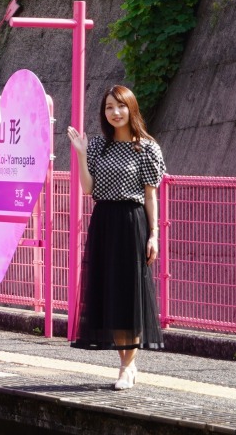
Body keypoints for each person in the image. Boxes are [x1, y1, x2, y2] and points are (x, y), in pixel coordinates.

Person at [66, 85, 165, 391]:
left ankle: (128, 366)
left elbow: (150, 197)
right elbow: (87, 189)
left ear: (131, 109)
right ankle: (125, 364)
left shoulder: (147, 148)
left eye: (120, 106)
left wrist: (154, 234)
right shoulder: (98, 147)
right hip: (104, 221)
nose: (115, 112)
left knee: (130, 295)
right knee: (111, 293)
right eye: (109, 107)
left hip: (133, 222)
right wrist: (81, 154)